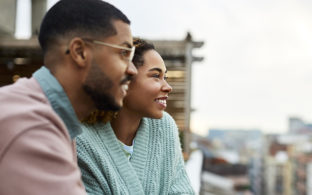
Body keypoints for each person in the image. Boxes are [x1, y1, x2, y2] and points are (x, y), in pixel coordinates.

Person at [0, 0, 136, 194]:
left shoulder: (51, 119)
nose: (132, 70)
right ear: (79, 52)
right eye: (123, 53)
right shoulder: (32, 129)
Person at [77, 39, 194, 194]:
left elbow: (182, 190)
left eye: (164, 77)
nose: (167, 87)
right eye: (155, 76)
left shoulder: (164, 127)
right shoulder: (81, 142)